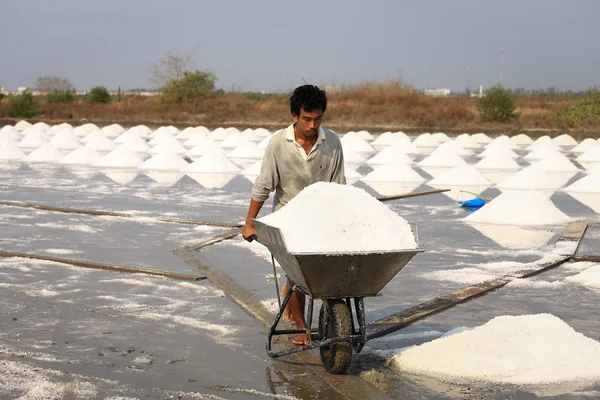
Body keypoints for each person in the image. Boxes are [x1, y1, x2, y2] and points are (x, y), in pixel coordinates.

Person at [241, 84, 346, 345]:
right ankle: (302, 328)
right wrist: (249, 223)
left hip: (321, 218)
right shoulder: (279, 144)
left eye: (318, 118)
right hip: (288, 220)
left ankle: (313, 308)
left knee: (324, 274)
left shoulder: (332, 143)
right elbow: (264, 185)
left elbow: (339, 186)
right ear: (294, 116)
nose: (313, 125)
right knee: (296, 275)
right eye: (307, 119)